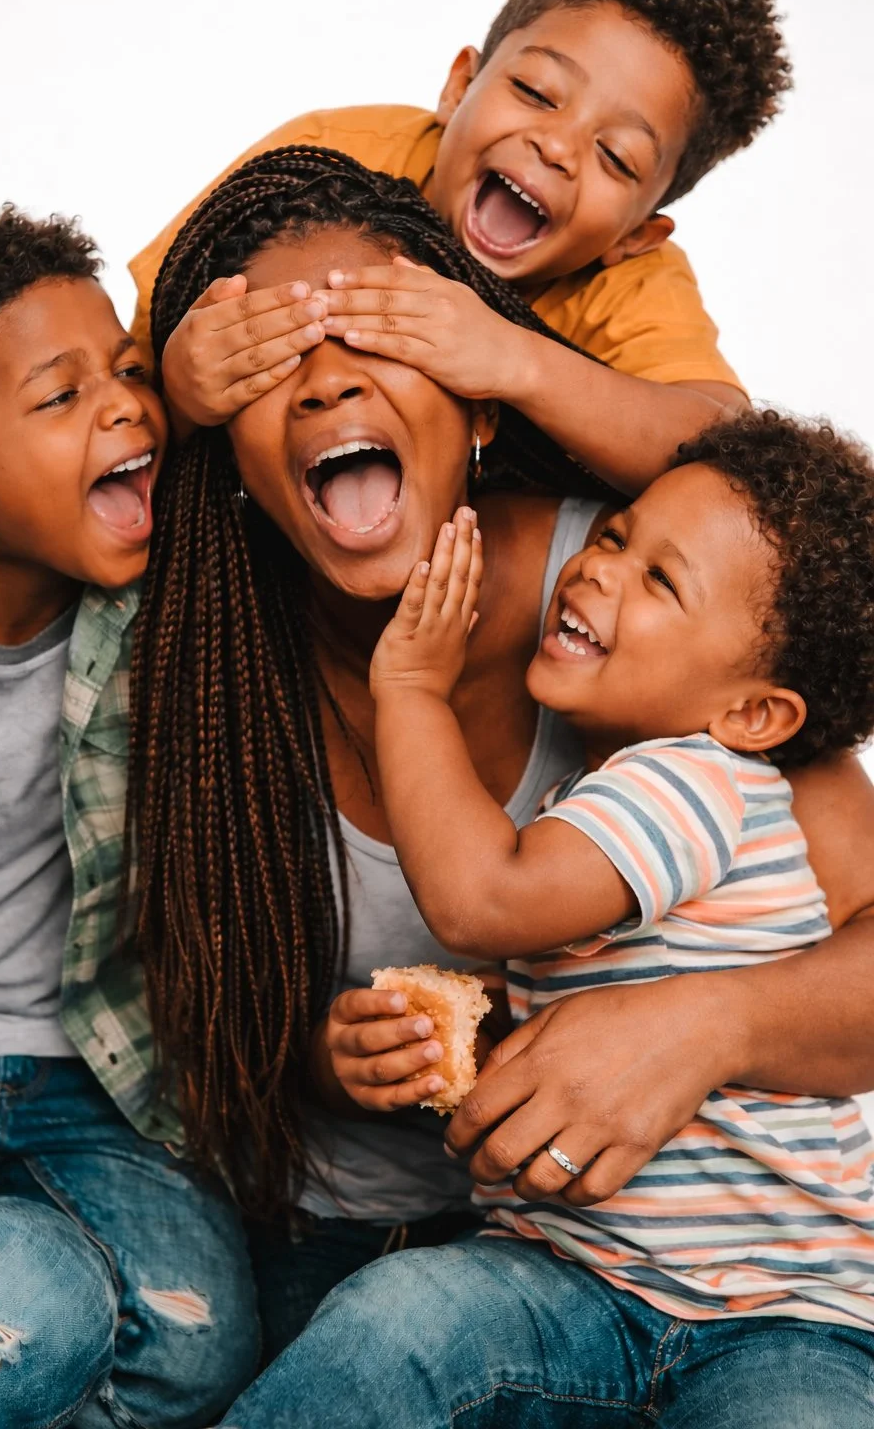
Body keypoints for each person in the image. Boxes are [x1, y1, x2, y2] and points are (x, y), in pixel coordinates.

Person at [130, 148, 874, 1365]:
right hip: (372, 1254)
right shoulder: (192, 651)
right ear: (222, 445)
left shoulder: (645, 617)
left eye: (376, 338)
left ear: (476, 399)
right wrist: (327, 1057)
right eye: (272, 363)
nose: (326, 390)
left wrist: (697, 1025)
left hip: (732, 1289)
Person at [216, 412, 874, 1426]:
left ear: (753, 714)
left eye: (661, 581)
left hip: (776, 1315)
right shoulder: (615, 792)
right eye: (613, 537)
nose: (598, 571)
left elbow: (482, 901)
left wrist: (410, 693)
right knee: (392, 1318)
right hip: (571, 1273)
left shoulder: (692, 783)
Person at [0, 206, 256, 1429]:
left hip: (104, 1081)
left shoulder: (186, 601)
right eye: (61, 397)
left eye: (127, 372)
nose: (128, 408)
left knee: (201, 1345)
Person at [130, 0, 791, 491]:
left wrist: (514, 360)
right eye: (535, 91)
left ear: (637, 235)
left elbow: (726, 453)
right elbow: (133, 362)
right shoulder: (323, 160)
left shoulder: (631, 285)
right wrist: (182, 393)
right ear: (458, 86)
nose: (557, 147)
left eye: (615, 157)